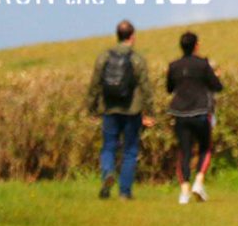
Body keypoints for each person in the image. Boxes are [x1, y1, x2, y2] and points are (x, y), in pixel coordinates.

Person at [87, 19, 155, 200]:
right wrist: (150, 111)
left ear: (117, 36)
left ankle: (108, 173)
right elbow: (146, 87)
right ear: (132, 37)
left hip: (109, 109)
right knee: (130, 150)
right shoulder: (137, 59)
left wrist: (91, 108)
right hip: (132, 110)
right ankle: (125, 193)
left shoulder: (104, 57)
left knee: (108, 147)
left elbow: (94, 84)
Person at [166, 31, 223, 204]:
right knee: (205, 148)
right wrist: (215, 76)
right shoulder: (203, 64)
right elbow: (217, 86)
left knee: (184, 151)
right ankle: (198, 182)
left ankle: (184, 192)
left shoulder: (174, 66)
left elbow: (169, 88)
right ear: (196, 45)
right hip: (200, 112)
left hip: (180, 113)